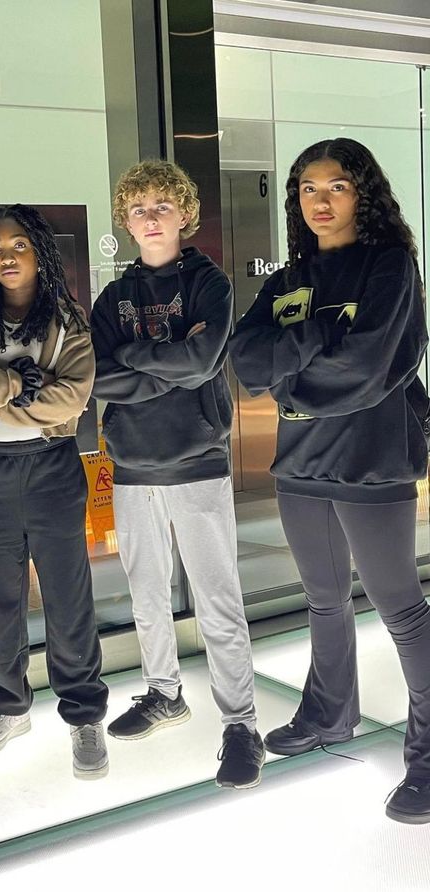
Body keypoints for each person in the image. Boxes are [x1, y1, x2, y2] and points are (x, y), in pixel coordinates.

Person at [229, 137, 430, 824]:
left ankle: (429, 753)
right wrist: (312, 350)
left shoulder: (389, 266)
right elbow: (246, 364)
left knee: (400, 608)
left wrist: (295, 374)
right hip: (300, 465)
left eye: (336, 185)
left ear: (362, 192)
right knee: (322, 599)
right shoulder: (289, 278)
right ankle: (328, 713)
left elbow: (371, 365)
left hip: (372, 459)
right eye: (307, 188)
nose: (320, 199)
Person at [90, 159, 263, 788]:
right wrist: (160, 361)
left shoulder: (210, 284)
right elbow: (96, 377)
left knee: (217, 598)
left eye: (163, 205)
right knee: (145, 592)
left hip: (197, 460)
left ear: (184, 213)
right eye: (139, 209)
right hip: (131, 465)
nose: (151, 217)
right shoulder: (113, 298)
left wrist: (137, 361)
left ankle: (241, 725)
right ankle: (163, 692)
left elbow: (198, 364)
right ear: (127, 221)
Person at [0, 204, 109, 779]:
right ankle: (8, 706)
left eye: (18, 247)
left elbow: (72, 399)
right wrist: (18, 380)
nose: (6, 258)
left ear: (39, 252)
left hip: (52, 466)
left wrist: (1, 395)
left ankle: (84, 713)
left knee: (67, 595)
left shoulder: (68, 319)